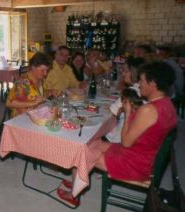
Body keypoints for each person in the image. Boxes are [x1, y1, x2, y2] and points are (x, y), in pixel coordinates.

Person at [56, 61, 177, 207]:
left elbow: (125, 142)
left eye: (142, 80)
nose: (139, 84)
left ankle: (74, 195)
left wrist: (127, 113)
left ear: (153, 84)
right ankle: (79, 180)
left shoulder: (149, 110)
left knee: (80, 153)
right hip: (144, 155)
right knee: (90, 143)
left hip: (134, 163)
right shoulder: (168, 104)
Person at [6, 52, 51, 117]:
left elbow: (41, 96)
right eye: (42, 70)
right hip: (21, 118)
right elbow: (9, 103)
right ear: (33, 67)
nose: (45, 74)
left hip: (36, 116)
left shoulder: (41, 80)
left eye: (47, 70)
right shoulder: (22, 82)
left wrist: (50, 92)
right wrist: (32, 103)